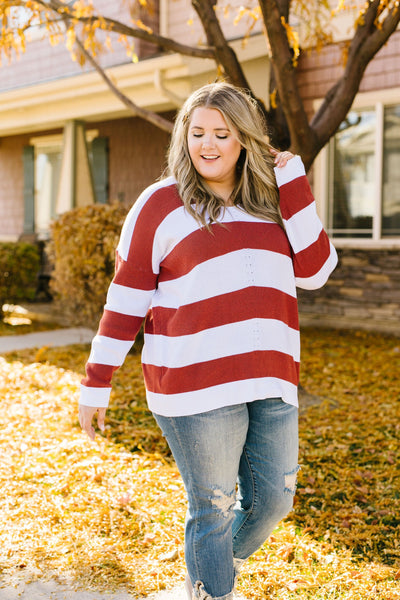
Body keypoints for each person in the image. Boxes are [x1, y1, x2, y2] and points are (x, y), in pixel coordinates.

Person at [79, 82, 337, 600]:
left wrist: (293, 181)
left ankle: (212, 565)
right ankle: (212, 588)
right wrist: (96, 382)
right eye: (197, 132)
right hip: (193, 386)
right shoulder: (159, 206)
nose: (208, 144)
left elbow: (315, 272)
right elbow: (125, 300)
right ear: (184, 137)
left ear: (244, 139)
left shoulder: (272, 203)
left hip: (270, 376)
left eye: (222, 133)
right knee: (212, 505)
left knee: (274, 500)